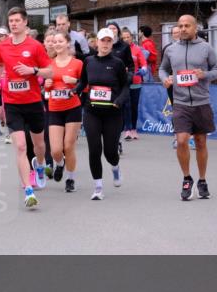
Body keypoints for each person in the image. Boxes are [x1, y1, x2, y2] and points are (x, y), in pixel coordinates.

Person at [0, 7, 53, 209]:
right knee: (20, 146)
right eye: (11, 21)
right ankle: (28, 190)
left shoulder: (35, 46)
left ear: (26, 23)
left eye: (18, 20)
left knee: (39, 146)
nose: (14, 24)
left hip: (33, 101)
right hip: (12, 102)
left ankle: (41, 165)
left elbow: (50, 71)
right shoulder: (3, 45)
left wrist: (32, 70)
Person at [159, 15, 217, 201]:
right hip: (180, 103)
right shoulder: (170, 50)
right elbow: (162, 69)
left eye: (187, 25)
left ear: (195, 28)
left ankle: (202, 180)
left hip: (201, 102)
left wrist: (203, 74)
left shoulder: (205, 48)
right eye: (180, 26)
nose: (183, 29)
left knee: (201, 142)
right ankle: (187, 178)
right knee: (181, 140)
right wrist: (166, 79)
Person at [75, 28, 129, 200]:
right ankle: (98, 186)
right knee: (94, 149)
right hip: (92, 111)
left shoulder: (117, 63)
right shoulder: (88, 61)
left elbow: (125, 87)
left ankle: (115, 167)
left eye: (109, 41)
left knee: (110, 152)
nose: (105, 44)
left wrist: (119, 101)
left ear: (112, 43)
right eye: (102, 40)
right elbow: (84, 81)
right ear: (96, 42)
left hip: (112, 112)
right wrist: (75, 90)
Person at [44, 30, 83, 193]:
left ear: (67, 43)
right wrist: (46, 85)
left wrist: (75, 81)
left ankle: (70, 178)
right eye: (55, 42)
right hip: (54, 108)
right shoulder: (48, 64)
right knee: (55, 150)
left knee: (68, 146)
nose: (57, 44)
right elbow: (45, 88)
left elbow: (85, 85)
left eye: (60, 41)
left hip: (72, 108)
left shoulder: (77, 64)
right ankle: (60, 164)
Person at [121, 28, 148, 140]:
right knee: (126, 106)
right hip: (123, 82)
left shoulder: (137, 49)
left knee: (134, 106)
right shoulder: (119, 49)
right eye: (124, 37)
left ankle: (134, 129)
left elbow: (144, 63)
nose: (126, 39)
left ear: (132, 37)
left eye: (128, 37)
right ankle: (127, 129)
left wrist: (144, 70)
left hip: (136, 81)